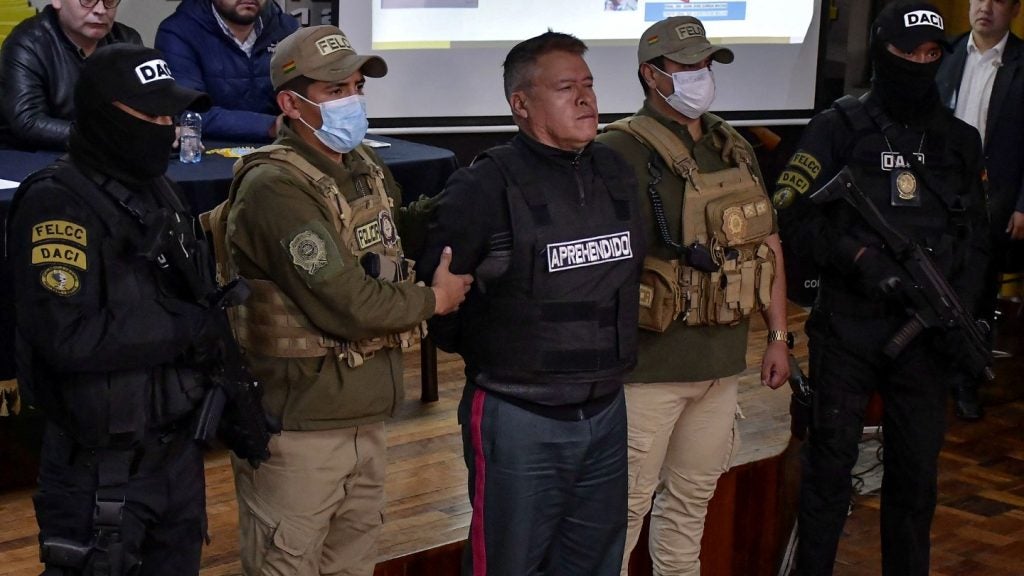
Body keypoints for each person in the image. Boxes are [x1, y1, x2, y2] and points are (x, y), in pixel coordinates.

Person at [214, 25, 471, 575]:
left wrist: (463, 204)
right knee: (288, 561)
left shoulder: (363, 165)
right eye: (335, 90)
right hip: (300, 428)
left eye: (357, 87)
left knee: (352, 562)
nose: (352, 101)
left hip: (365, 411)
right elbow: (348, 302)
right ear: (291, 104)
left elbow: (392, 237)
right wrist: (434, 300)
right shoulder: (274, 188)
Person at [772, 2, 990, 574]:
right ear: (880, 52)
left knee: (915, 481)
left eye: (931, 54)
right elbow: (792, 214)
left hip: (927, 337)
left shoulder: (959, 141)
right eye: (906, 52)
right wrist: (858, 258)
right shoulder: (838, 127)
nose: (919, 63)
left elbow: (976, 240)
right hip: (849, 327)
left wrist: (961, 314)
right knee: (828, 472)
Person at [417, 31, 644, 576]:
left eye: (588, 85)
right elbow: (440, 303)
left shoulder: (617, 171)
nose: (586, 99)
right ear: (521, 104)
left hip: (606, 409)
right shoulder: (483, 187)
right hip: (520, 416)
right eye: (566, 88)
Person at [9, 43, 216, 575]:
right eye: (152, 116)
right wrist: (185, 326)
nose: (167, 129)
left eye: (170, 117)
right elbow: (68, 337)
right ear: (105, 115)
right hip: (100, 471)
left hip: (174, 454)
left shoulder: (159, 188)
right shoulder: (56, 202)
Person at [595, 15, 790, 576]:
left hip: (720, 365)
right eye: (685, 66)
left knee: (689, 510)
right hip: (649, 372)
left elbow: (767, 244)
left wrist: (777, 336)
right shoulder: (618, 150)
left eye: (706, 63)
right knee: (621, 515)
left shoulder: (733, 146)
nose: (700, 75)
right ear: (650, 74)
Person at [936, 0, 1024, 421]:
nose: (985, 7)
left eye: (997, 0)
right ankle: (927, 374)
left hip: (993, 199)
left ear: (1016, 9)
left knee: (976, 293)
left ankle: (967, 380)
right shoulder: (946, 53)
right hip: (938, 195)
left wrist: (1023, 203)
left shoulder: (1020, 62)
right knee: (932, 285)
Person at [0, 0, 142, 150]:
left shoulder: (127, 40)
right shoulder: (27, 43)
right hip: (35, 154)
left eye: (109, 1)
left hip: (111, 152)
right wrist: (104, 136)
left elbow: (147, 106)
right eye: (87, 0)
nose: (100, 10)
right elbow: (28, 122)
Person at [155, 0, 299, 141]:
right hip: (209, 148)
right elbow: (188, 111)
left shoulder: (287, 28)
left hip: (282, 145)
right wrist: (272, 125)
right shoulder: (178, 31)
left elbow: (302, 96)